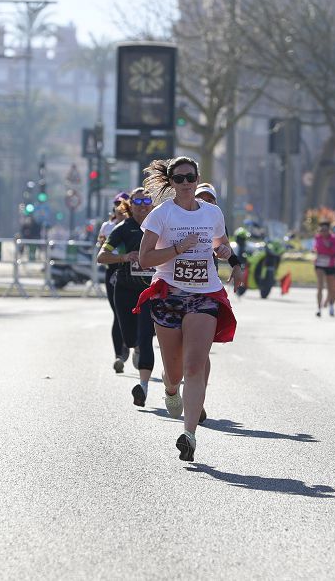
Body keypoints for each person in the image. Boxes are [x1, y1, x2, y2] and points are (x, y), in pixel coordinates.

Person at [135, 156, 245, 462]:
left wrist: (231, 261)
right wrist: (177, 250)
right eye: (179, 179)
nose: (185, 184)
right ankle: (171, 391)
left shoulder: (212, 212)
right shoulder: (161, 215)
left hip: (205, 294)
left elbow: (221, 244)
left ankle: (189, 435)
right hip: (169, 293)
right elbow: (145, 259)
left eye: (190, 178)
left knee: (195, 366)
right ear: (171, 183)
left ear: (197, 179)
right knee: (173, 371)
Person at [96, 188, 158, 407]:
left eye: (147, 201)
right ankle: (132, 347)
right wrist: (125, 256)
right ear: (130, 205)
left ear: (152, 205)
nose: (143, 205)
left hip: (149, 292)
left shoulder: (160, 227)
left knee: (145, 337)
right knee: (130, 338)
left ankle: (143, 388)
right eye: (138, 201)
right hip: (124, 289)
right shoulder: (123, 229)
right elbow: (101, 256)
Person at [99, 193, 130, 372]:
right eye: (117, 204)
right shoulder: (108, 226)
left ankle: (136, 345)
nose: (120, 207)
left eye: (123, 204)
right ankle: (119, 354)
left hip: (133, 272)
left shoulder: (136, 225)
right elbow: (102, 248)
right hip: (113, 272)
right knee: (118, 314)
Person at [313, 221, 335, 317]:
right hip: (319, 264)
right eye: (321, 230)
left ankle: (331, 305)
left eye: (325, 230)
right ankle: (319, 308)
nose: (323, 232)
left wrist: (330, 246)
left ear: (328, 231)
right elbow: (315, 248)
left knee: (331, 288)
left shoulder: (333, 239)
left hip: (330, 265)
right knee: (320, 286)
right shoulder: (317, 238)